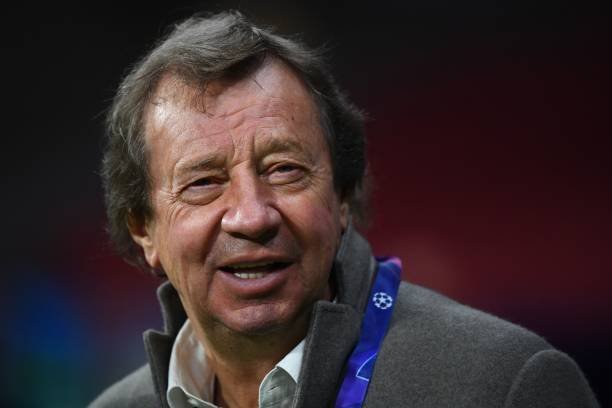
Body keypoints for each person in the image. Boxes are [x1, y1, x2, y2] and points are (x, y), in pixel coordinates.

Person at [90, 10, 599, 408]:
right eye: (203, 183)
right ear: (143, 229)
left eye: (284, 169)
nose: (252, 215)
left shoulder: (506, 386)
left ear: (341, 197)